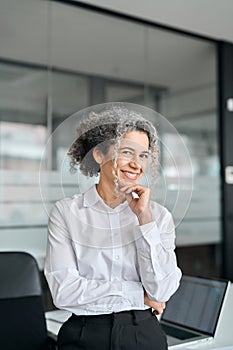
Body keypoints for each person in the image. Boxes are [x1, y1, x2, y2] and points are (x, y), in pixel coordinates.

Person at [44, 104, 182, 350]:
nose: (136, 165)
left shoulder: (158, 217)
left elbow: (161, 290)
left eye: (143, 155)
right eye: (127, 152)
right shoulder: (66, 212)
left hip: (142, 334)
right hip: (84, 334)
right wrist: (137, 295)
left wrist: (144, 219)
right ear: (99, 154)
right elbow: (64, 292)